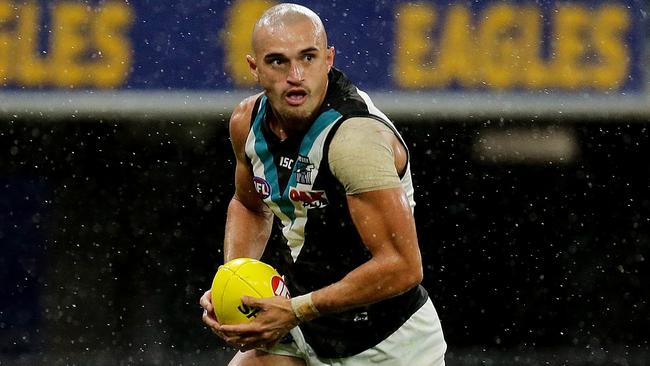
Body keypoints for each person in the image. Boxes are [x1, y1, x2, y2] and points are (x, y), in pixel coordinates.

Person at [200, 3, 446, 365]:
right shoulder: (246, 122)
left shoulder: (355, 139)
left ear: (329, 59)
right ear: (254, 67)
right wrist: (234, 284)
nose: (296, 74)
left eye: (308, 57)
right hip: (299, 325)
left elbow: (403, 266)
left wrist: (297, 309)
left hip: (384, 344)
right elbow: (249, 205)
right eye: (277, 61)